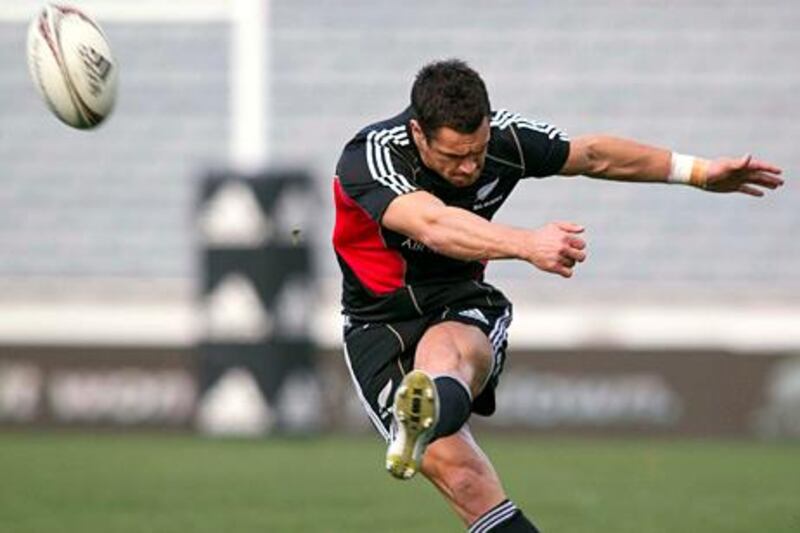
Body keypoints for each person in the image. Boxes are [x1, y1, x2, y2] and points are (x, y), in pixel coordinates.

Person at [331, 59, 783, 532]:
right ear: (419, 134)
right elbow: (434, 225)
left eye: (478, 152)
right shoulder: (371, 156)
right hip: (377, 322)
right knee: (465, 481)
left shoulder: (505, 140)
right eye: (453, 156)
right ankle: (426, 412)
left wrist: (698, 171)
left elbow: (592, 156)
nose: (468, 167)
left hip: (457, 298)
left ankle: (428, 408)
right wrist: (528, 244)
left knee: (449, 352)